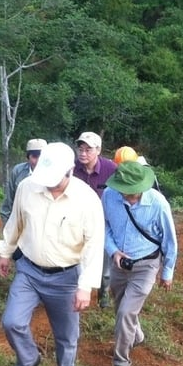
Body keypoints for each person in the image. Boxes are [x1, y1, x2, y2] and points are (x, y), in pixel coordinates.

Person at [0, 142, 104, 366]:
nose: (47, 184)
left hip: (66, 278)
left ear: (70, 171)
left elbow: (94, 243)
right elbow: (16, 222)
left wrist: (85, 286)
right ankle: (28, 358)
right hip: (29, 271)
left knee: (66, 335)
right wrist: (5, 251)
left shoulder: (86, 199)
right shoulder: (28, 187)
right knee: (11, 322)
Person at [102, 161, 178, 366]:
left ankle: (121, 359)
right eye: (124, 192)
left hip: (146, 265)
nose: (127, 197)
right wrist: (113, 250)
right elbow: (104, 225)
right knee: (120, 308)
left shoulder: (158, 204)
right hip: (119, 264)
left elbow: (170, 241)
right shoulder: (109, 196)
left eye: (132, 193)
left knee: (126, 311)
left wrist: (167, 272)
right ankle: (136, 336)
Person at [73, 132, 118, 307]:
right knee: (77, 255)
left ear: (98, 150)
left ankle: (103, 291)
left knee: (105, 259)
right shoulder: (72, 169)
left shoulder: (111, 169)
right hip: (76, 220)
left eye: (88, 149)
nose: (83, 153)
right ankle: (77, 288)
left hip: (102, 221)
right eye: (81, 149)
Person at [0, 138, 46, 224]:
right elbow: (9, 201)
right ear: (28, 157)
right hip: (21, 221)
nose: (38, 161)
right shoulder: (18, 171)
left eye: (42, 157)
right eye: (35, 157)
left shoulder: (53, 175)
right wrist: (8, 226)